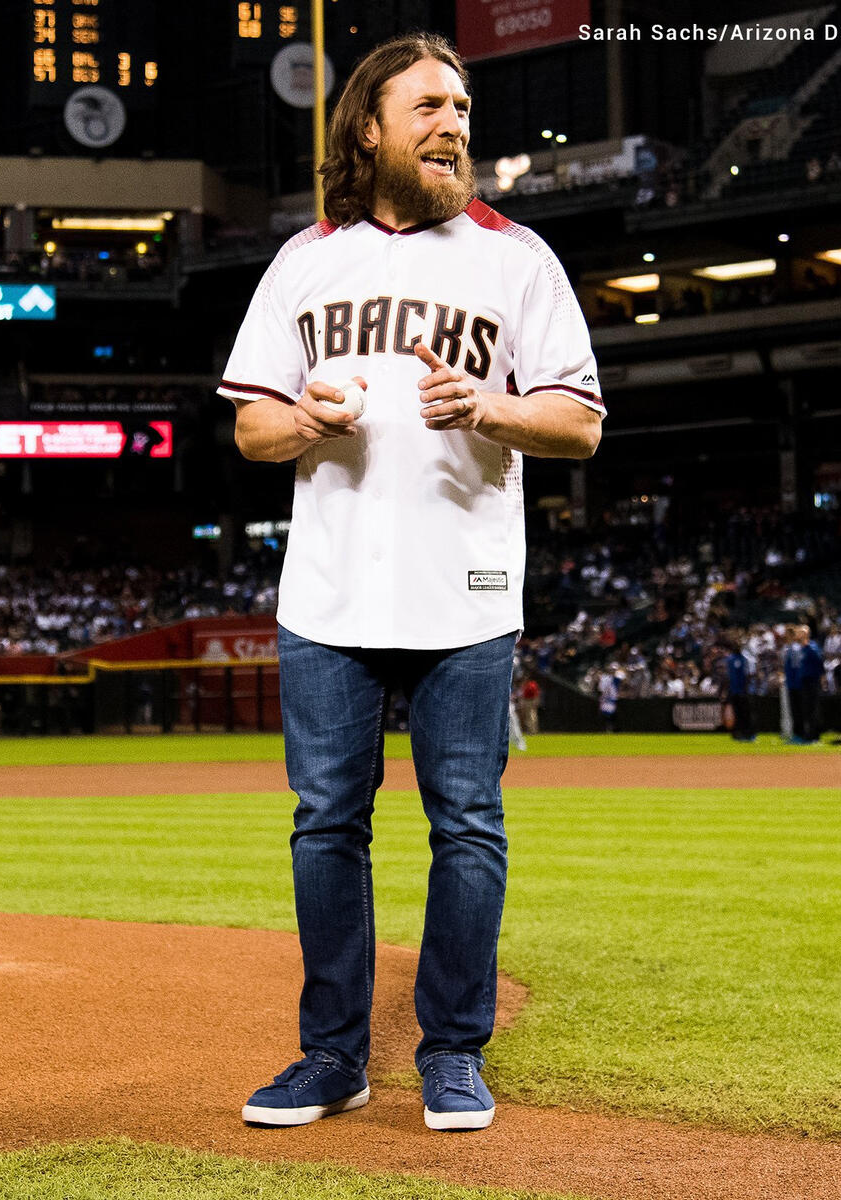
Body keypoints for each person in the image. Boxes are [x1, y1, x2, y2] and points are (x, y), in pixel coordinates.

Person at [219, 32, 602, 1133]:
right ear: (370, 128)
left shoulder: (515, 256)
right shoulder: (305, 259)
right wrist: (303, 420)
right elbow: (251, 426)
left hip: (466, 587)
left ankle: (453, 1053)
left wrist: (488, 407)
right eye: (430, 106)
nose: (455, 125)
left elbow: (576, 420)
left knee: (468, 826)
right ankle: (332, 1057)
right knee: (325, 825)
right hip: (329, 590)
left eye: (465, 108)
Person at [724, 638, 755, 742]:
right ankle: (738, 733)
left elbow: (749, 675)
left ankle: (749, 733)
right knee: (736, 714)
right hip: (734, 691)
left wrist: (746, 689)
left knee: (746, 713)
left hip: (743, 691)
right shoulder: (730, 659)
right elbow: (729, 677)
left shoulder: (745, 658)